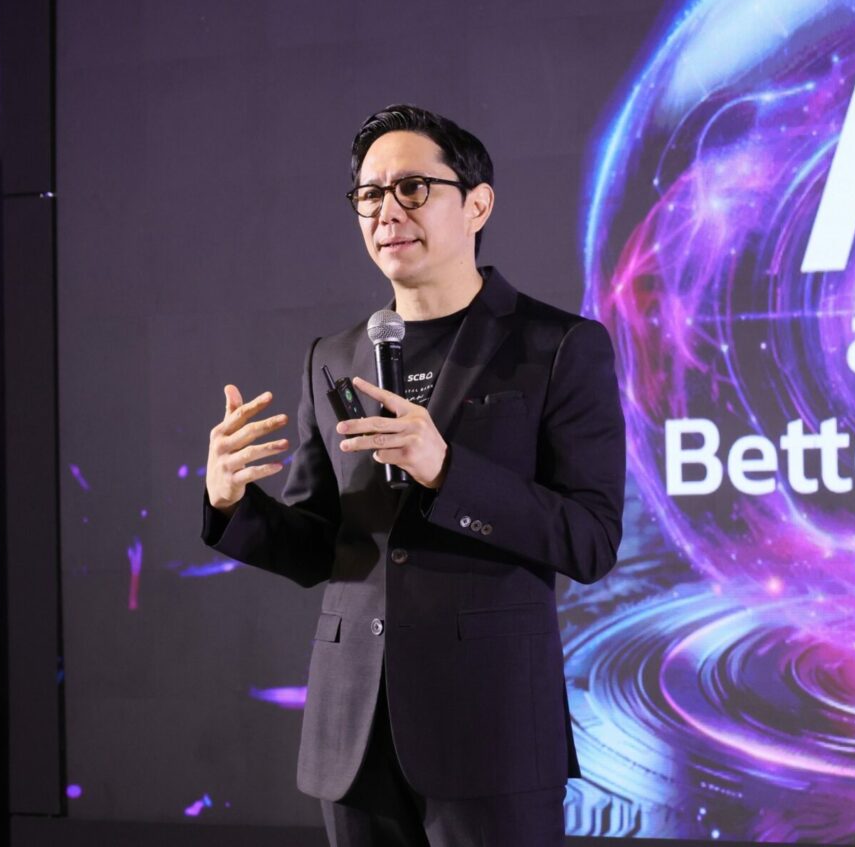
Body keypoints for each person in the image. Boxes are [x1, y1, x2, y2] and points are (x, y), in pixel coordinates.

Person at [200, 104, 625, 847]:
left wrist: (448, 471)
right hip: (353, 735)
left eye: (412, 188)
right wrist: (232, 502)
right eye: (369, 194)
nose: (387, 211)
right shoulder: (333, 356)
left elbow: (590, 540)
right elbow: (322, 547)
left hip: (490, 731)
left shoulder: (557, 345)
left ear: (477, 205)